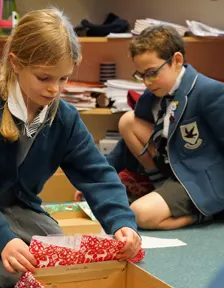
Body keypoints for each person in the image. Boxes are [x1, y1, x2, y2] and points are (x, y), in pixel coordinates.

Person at [0, 8, 140, 288]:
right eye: (44, 78)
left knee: (55, 256)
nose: (54, 89)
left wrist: (122, 222)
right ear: (16, 63)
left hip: (13, 210)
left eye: (63, 79)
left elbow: (97, 175)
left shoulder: (65, 117)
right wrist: (4, 240)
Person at [76, 25, 224, 231]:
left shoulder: (210, 91)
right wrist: (96, 179)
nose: (147, 82)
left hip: (201, 180)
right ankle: (158, 185)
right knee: (127, 120)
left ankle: (207, 214)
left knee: (139, 214)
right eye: (141, 75)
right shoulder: (153, 94)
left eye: (152, 73)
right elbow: (124, 147)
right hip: (171, 169)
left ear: (177, 60)